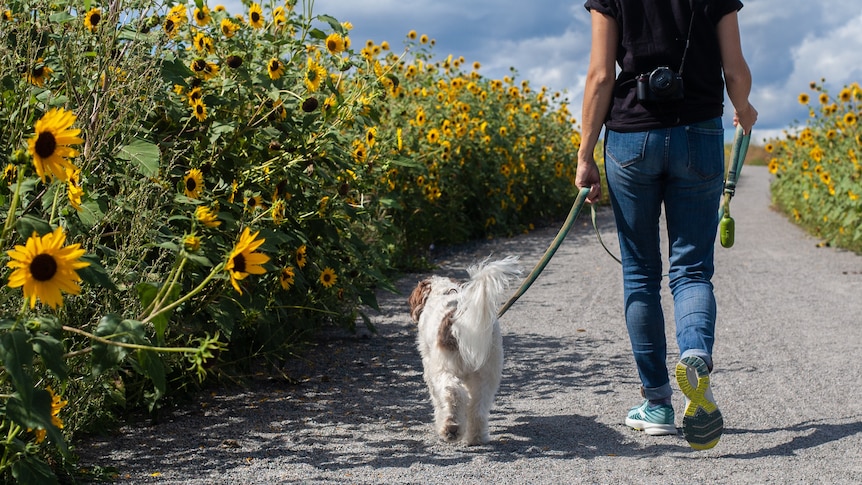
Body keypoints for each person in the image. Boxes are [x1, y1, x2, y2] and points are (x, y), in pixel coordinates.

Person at [576, 0, 757, 450]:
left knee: (640, 273)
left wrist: (585, 154)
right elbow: (734, 69)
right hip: (699, 132)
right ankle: (695, 353)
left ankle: (657, 405)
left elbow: (600, 75)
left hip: (631, 136)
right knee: (692, 270)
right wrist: (744, 107)